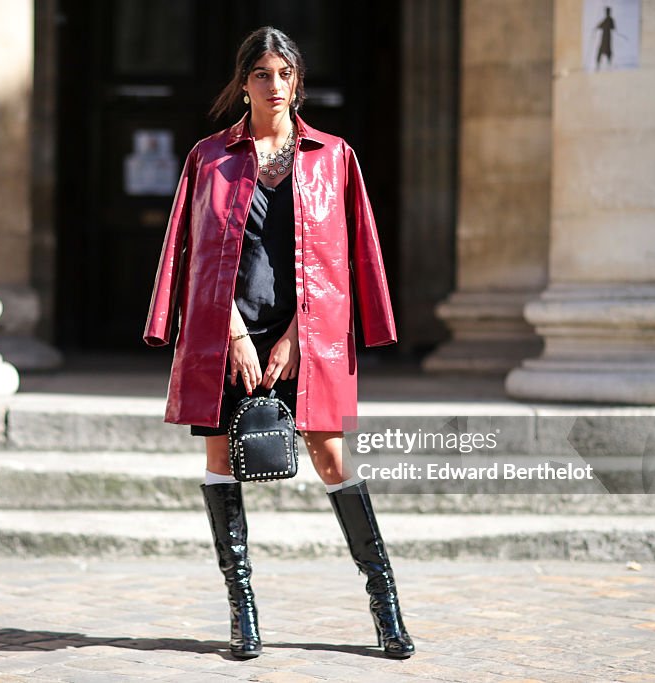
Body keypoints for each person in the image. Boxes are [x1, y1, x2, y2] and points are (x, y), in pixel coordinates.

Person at [143, 26, 414, 660]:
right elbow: (195, 256)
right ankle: (242, 613)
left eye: (284, 73)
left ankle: (386, 606)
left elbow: (341, 259)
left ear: (297, 82)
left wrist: (295, 334)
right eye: (261, 74)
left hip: (307, 332)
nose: (274, 85)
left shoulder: (333, 156)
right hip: (226, 329)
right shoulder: (209, 157)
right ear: (243, 83)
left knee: (329, 457)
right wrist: (235, 331)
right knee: (219, 458)